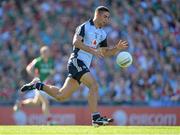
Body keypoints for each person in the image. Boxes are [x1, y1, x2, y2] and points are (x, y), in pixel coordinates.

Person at [20, 6, 128, 126]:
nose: (107, 20)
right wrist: (93, 51)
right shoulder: (84, 27)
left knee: (61, 96)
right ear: (97, 15)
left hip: (82, 65)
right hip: (76, 61)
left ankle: (37, 85)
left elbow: (104, 52)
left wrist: (116, 49)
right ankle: (96, 118)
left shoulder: (102, 33)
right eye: (105, 16)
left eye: (108, 17)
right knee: (93, 85)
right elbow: (76, 42)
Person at [14, 46, 54, 124]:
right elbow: (28, 68)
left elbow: (52, 72)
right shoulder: (38, 61)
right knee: (45, 102)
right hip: (38, 84)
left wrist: (50, 77)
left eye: (49, 51)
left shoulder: (50, 61)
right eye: (47, 51)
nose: (48, 53)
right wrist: (35, 76)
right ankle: (49, 122)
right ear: (43, 53)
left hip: (46, 85)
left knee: (36, 103)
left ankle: (20, 104)